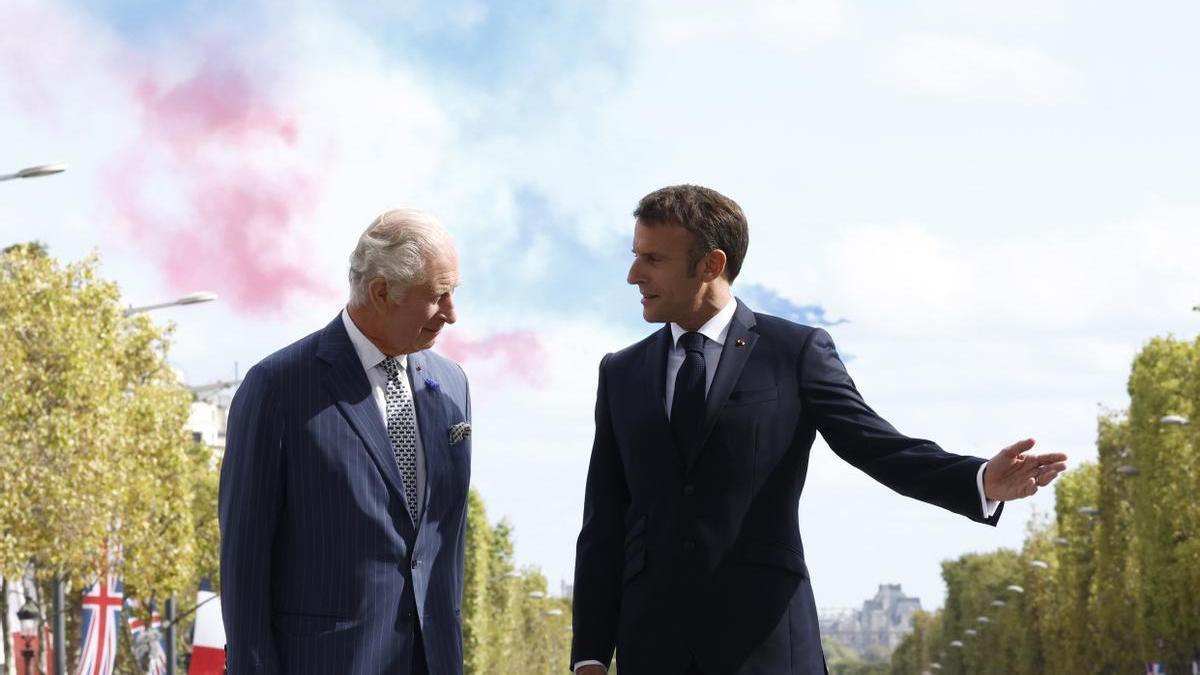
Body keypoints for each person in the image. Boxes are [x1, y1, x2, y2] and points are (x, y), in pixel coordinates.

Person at [570, 185, 1067, 675]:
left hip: (767, 643)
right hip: (653, 648)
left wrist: (977, 480)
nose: (634, 275)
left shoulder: (795, 352)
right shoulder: (620, 372)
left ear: (711, 265)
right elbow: (603, 523)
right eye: (636, 256)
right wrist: (590, 653)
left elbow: (875, 445)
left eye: (652, 259)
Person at [220, 209, 470, 675]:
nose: (452, 314)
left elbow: (443, 546)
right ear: (381, 292)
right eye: (439, 296)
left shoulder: (453, 385)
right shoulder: (278, 388)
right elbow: (244, 565)